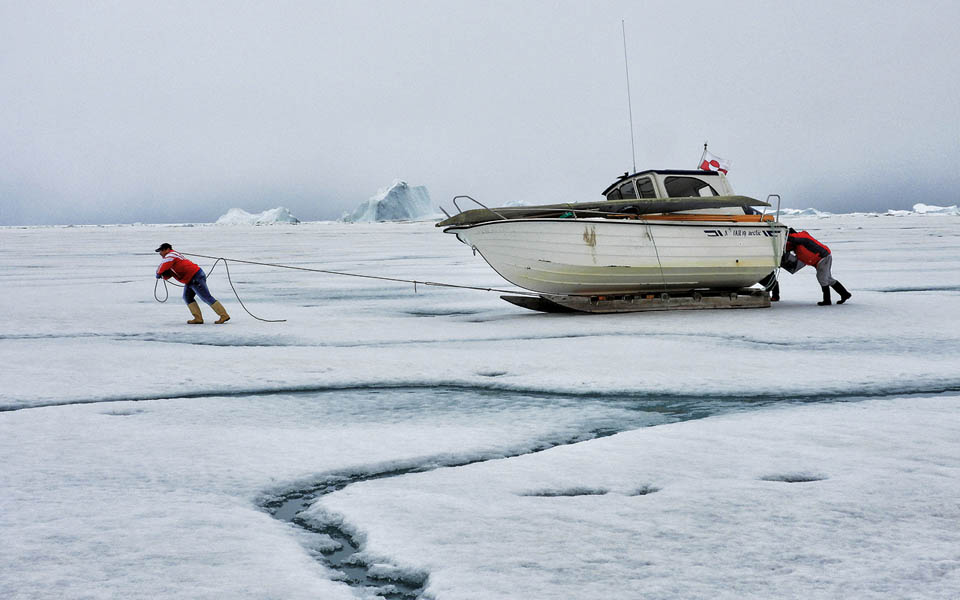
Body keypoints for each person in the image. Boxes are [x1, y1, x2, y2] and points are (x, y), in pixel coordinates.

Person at [155, 243, 230, 324]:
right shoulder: (171, 257)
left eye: (161, 251)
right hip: (190, 279)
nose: (160, 253)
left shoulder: (171, 255)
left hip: (194, 277)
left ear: (167, 249)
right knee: (187, 297)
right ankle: (198, 318)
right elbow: (170, 272)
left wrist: (158, 273)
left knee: (206, 297)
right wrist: (163, 275)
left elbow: (163, 266)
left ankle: (224, 315)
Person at [781, 228, 852, 306]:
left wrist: (783, 237)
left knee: (822, 278)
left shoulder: (801, 236)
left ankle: (827, 300)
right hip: (819, 259)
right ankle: (845, 294)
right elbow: (787, 247)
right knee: (828, 279)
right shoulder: (795, 241)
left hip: (822, 257)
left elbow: (800, 239)